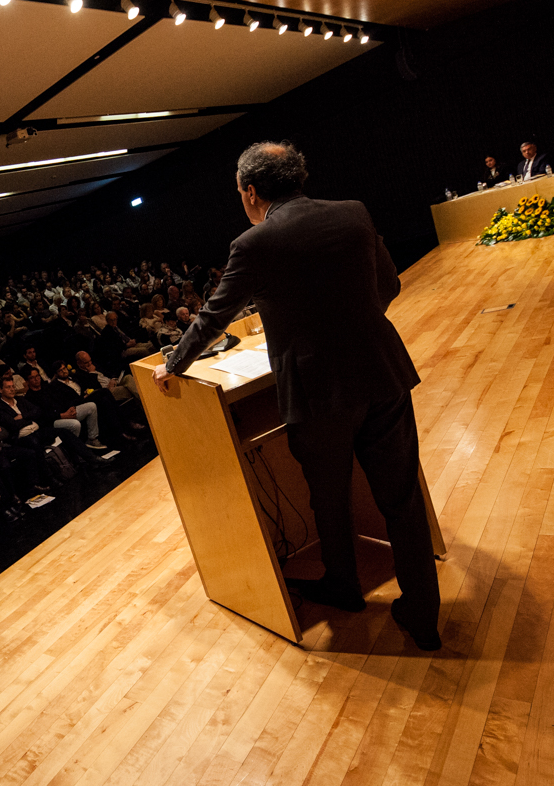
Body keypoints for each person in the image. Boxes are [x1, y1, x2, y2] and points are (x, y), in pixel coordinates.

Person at [152, 141, 442, 651]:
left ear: (250, 191)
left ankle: (344, 588)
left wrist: (172, 363)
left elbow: (215, 316)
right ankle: (423, 616)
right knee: (402, 499)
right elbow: (390, 284)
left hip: (317, 392)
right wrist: (354, 323)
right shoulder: (353, 212)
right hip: (382, 371)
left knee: (329, 498)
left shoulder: (253, 243)